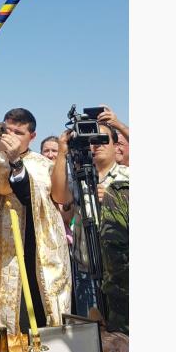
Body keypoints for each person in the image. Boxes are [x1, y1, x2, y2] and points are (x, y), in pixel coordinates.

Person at [0, 107, 73, 335]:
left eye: (19, 133)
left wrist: (15, 161)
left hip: (34, 253)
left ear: (32, 136)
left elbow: (34, 199)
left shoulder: (43, 165)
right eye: (7, 131)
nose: (10, 137)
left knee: (35, 318)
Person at [51, 105, 130, 332]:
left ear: (116, 146)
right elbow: (59, 196)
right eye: (91, 141)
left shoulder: (128, 176)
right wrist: (62, 151)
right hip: (86, 271)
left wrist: (116, 198)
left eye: (102, 140)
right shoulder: (78, 178)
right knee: (93, 338)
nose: (96, 145)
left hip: (122, 273)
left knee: (123, 339)